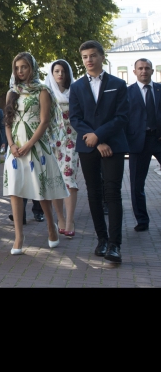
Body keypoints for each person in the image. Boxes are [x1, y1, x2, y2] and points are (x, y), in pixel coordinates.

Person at [70, 41, 130, 264]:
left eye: (93, 55)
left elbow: (122, 116)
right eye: (85, 56)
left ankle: (115, 245)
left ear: (102, 57)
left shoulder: (118, 84)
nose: (89, 60)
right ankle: (102, 240)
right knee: (94, 193)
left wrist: (100, 136)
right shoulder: (76, 87)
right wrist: (95, 141)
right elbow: (75, 118)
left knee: (112, 193)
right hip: (88, 146)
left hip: (114, 145)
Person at [4, 53, 69, 256]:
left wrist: (29, 144)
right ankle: (18, 236)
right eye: (17, 68)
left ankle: (51, 226)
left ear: (32, 67)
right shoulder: (11, 92)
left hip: (36, 146)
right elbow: (8, 121)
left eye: (24, 67)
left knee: (41, 189)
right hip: (15, 149)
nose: (20, 71)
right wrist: (11, 144)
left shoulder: (42, 90)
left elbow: (45, 121)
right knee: (15, 190)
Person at [45, 61, 80, 238]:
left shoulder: (75, 92)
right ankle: (60, 218)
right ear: (52, 74)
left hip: (71, 141)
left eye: (63, 71)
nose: (60, 74)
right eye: (56, 71)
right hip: (52, 142)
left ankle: (70, 220)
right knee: (55, 181)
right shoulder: (46, 92)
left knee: (69, 179)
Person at [126, 59, 161, 233]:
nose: (143, 71)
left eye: (147, 68)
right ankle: (142, 220)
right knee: (137, 184)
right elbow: (123, 118)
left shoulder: (160, 89)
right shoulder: (127, 92)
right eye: (140, 68)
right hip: (138, 142)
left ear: (152, 71)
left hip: (159, 138)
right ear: (134, 71)